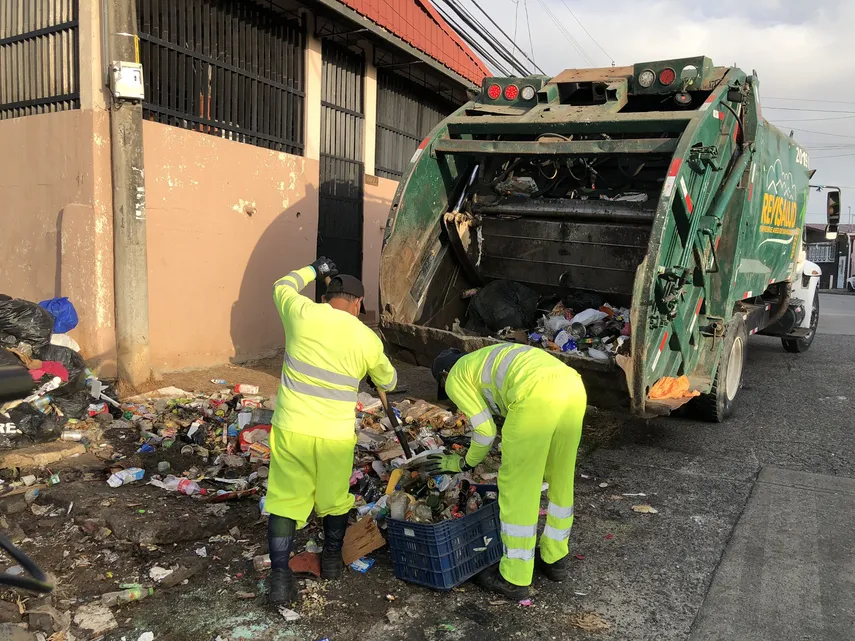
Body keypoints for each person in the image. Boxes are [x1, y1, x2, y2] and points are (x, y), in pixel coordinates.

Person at [267, 257, 398, 605]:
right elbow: (389, 380)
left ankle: (280, 578)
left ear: (328, 296)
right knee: (335, 499)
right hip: (334, 436)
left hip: (291, 427)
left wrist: (312, 268)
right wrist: (371, 369)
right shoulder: (366, 338)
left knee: (284, 500)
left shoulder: (300, 312)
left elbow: (281, 285)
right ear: (357, 303)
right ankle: (332, 562)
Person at [426, 344, 585, 599]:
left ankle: (515, 576)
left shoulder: (456, 376)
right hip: (573, 386)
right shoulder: (481, 359)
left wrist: (462, 463)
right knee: (561, 477)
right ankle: (555, 558)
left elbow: (485, 433)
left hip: (536, 396)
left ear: (443, 375)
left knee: (519, 487)